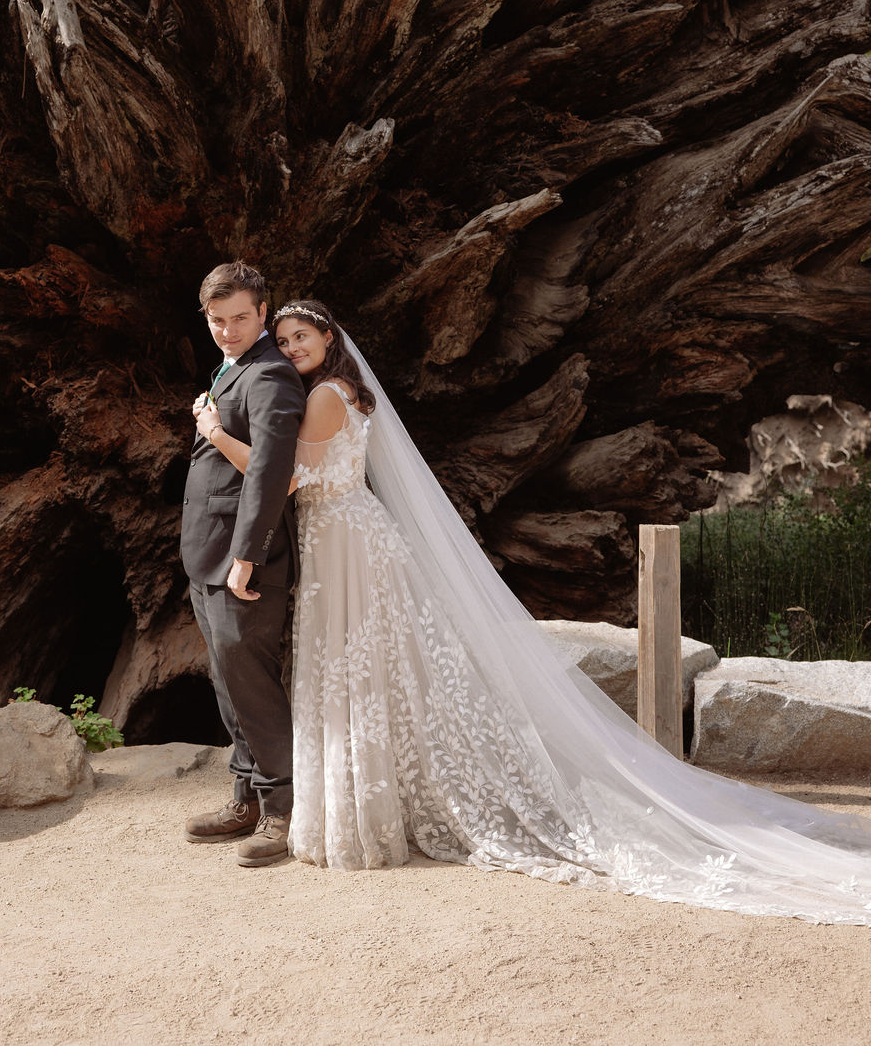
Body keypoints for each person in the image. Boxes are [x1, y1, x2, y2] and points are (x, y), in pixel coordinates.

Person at [195, 297, 871, 922]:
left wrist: (216, 430)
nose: (290, 346)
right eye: (282, 340)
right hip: (346, 538)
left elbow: (283, 476)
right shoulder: (349, 393)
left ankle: (362, 815)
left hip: (343, 540)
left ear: (329, 339)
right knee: (373, 671)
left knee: (357, 669)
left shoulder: (323, 396)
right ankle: (368, 802)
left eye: (300, 336)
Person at [180, 261, 306, 867]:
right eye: (216, 319)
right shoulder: (231, 367)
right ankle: (245, 798)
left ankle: (282, 813)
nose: (227, 330)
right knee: (228, 683)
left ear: (263, 312)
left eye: (239, 318)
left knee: (253, 686)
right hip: (206, 554)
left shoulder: (273, 377)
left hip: (243, 560)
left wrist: (246, 556)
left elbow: (272, 472)